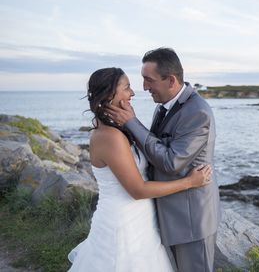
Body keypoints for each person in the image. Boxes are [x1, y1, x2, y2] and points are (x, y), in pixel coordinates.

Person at [68, 67, 212, 272]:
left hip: (139, 221)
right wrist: (189, 182)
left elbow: (150, 149)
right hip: (124, 224)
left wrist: (131, 122)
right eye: (127, 87)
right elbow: (138, 190)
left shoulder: (118, 129)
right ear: (109, 95)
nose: (133, 92)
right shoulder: (110, 137)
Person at [106, 48, 220, 272]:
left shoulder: (197, 112)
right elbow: (154, 147)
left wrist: (132, 123)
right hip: (170, 215)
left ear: (171, 80)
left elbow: (171, 161)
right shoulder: (165, 107)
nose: (144, 87)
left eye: (148, 80)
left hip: (190, 220)